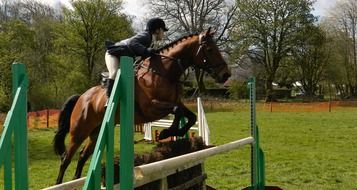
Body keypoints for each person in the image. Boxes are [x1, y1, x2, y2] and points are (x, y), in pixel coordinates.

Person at [104, 17, 168, 102]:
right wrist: (146, 51)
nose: (164, 33)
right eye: (163, 30)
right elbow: (132, 43)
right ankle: (109, 99)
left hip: (125, 58)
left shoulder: (151, 41)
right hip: (113, 53)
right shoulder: (146, 36)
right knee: (114, 73)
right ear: (157, 30)